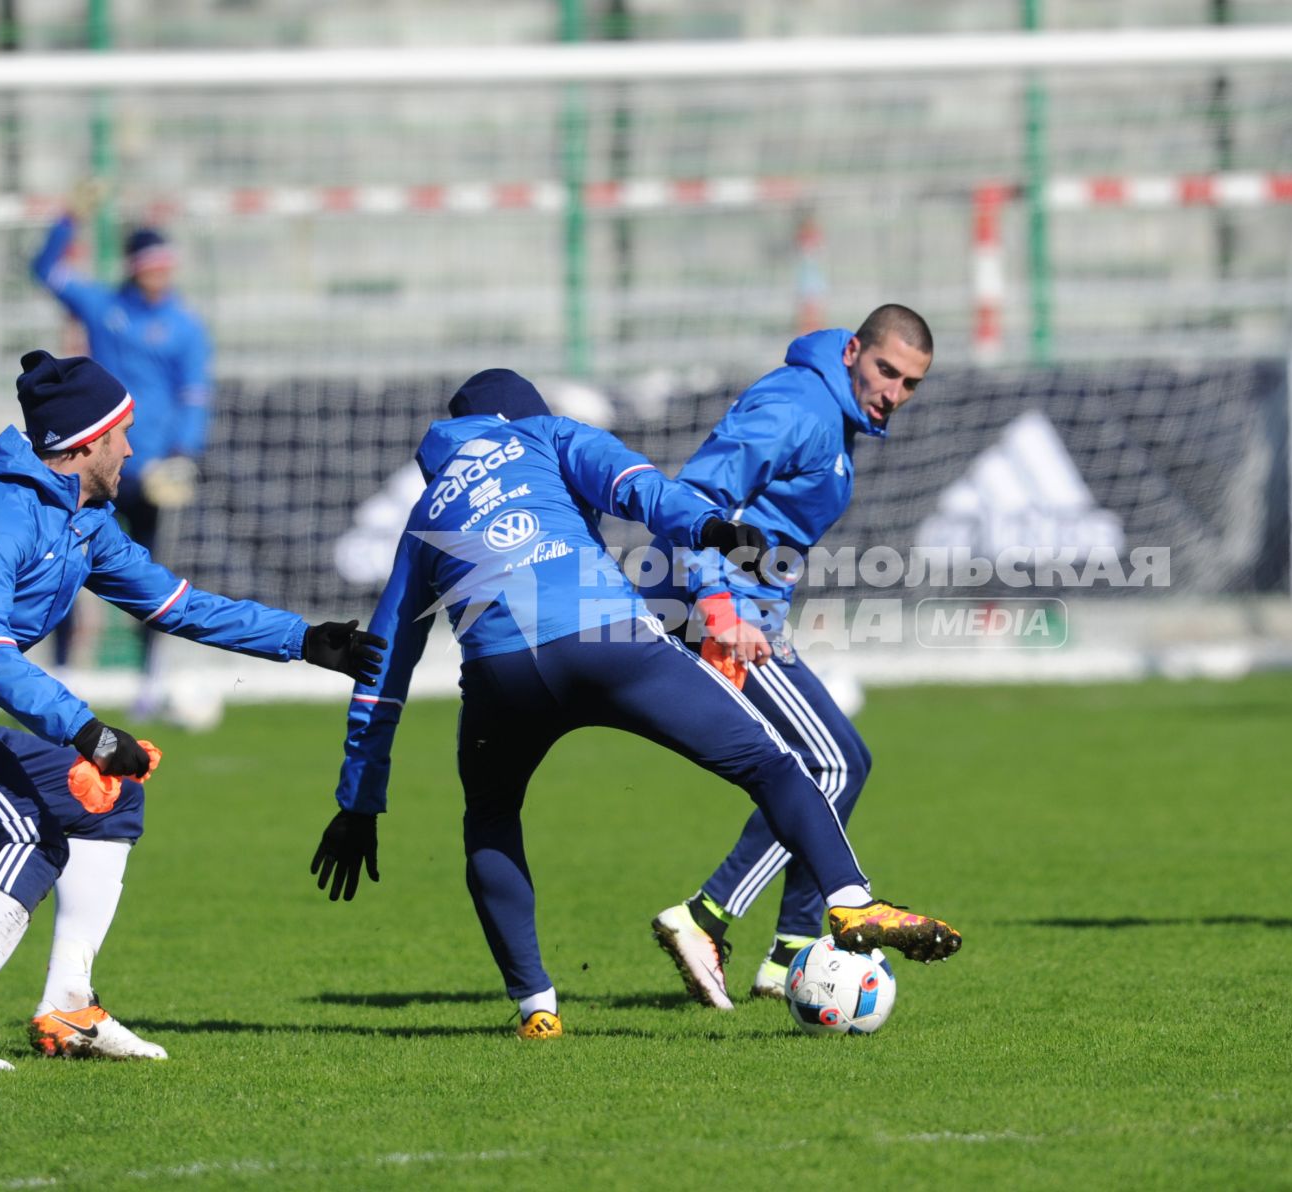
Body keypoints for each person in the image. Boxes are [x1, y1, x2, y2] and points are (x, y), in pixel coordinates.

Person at [312, 369, 960, 1040]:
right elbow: (636, 488)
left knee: (491, 817)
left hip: (500, 679)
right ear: (525, 413)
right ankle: (851, 904)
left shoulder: (423, 515)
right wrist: (709, 527)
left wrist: (359, 802)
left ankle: (537, 1007)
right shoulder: (547, 433)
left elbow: (382, 665)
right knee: (776, 765)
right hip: (608, 641)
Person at [0, 351, 385, 1069]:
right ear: (85, 441)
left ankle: (68, 1007)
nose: (133, 447)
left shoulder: (82, 521)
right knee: (30, 838)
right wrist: (89, 733)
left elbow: (179, 606)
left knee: (108, 805)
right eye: (122, 433)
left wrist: (306, 640)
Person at [637, 305, 934, 1008]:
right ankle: (704, 917)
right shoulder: (797, 405)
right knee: (830, 763)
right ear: (854, 351)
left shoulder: (833, 415)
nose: (893, 391)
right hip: (713, 610)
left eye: (910, 383)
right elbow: (693, 499)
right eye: (885, 370)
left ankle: (793, 949)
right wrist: (719, 610)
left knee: (843, 763)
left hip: (747, 611)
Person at [31, 205, 212, 711]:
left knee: (150, 573)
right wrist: (70, 218)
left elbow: (194, 395)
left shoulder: (185, 327)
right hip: (95, 465)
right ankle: (64, 672)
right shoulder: (104, 306)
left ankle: (151, 677)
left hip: (150, 470)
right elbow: (46, 271)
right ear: (135, 266)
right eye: (151, 264)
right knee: (62, 564)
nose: (160, 274)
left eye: (165, 264)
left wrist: (183, 455)